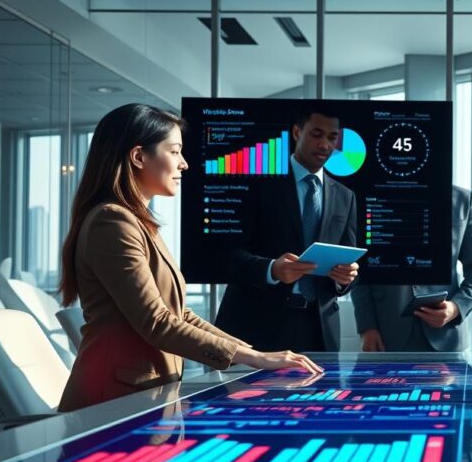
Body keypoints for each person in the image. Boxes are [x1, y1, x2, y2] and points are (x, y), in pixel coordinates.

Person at [58, 104, 321, 412]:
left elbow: (179, 314)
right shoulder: (112, 222)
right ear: (139, 156)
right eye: (174, 151)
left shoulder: (137, 222)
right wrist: (256, 358)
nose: (184, 164)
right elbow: (156, 322)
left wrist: (252, 354)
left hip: (142, 393)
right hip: (112, 399)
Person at [215, 106, 359, 352]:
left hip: (319, 330)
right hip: (255, 324)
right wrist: (271, 269)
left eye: (332, 138)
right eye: (316, 134)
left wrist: (346, 279)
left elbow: (350, 260)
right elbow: (226, 254)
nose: (325, 144)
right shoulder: (255, 184)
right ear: (296, 132)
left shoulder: (346, 197)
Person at [352, 185, 472, 352]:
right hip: (386, 333)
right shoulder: (372, 197)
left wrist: (456, 307)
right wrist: (367, 327)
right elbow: (359, 268)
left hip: (446, 335)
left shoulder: (462, 199)